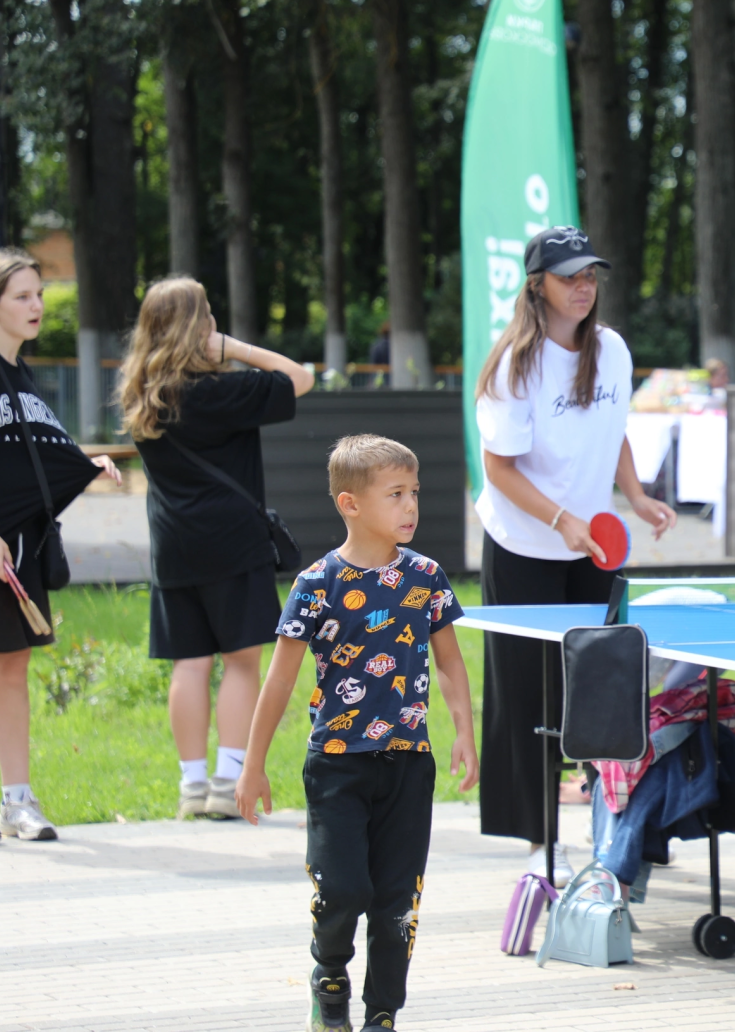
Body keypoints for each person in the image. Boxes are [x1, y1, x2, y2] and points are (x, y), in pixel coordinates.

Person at [236, 434, 478, 1032]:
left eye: (414, 492)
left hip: (408, 762)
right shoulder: (316, 584)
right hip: (338, 764)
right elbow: (279, 679)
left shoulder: (427, 577)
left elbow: (449, 663)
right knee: (344, 889)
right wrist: (252, 764)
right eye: (395, 494)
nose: (411, 506)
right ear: (350, 503)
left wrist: (465, 735)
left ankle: (382, 1014)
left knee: (398, 904)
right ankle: (329, 975)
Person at [473, 224, 676, 881]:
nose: (584, 287)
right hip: (524, 543)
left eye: (591, 275)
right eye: (570, 277)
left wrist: (635, 496)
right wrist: (560, 519)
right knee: (527, 697)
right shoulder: (515, 364)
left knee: (601, 691)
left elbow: (610, 427)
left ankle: (613, 825)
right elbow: (497, 468)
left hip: (590, 544)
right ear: (539, 286)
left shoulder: (611, 350)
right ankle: (538, 839)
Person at [118, 277, 316, 820]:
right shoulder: (221, 393)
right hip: (232, 542)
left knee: (189, 663)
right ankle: (229, 783)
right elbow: (299, 378)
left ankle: (191, 785)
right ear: (199, 326)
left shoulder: (143, 396)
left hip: (173, 545)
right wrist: (234, 348)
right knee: (241, 662)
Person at [0, 249, 122, 844]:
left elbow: (25, 450)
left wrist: (83, 462)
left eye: (39, 293)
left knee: (12, 668)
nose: (37, 306)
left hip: (19, 545)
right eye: (23, 296)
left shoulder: (20, 371)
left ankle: (16, 802)